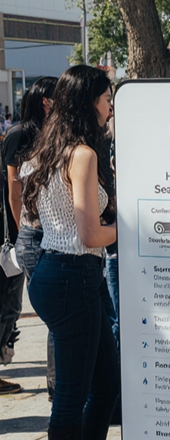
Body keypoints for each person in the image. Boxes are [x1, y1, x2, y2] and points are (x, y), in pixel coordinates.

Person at [23, 65, 118, 440]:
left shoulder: (50, 148)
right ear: (89, 102)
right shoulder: (82, 155)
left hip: (59, 272)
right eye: (107, 99)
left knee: (105, 384)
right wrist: (132, 228)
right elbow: (90, 234)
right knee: (71, 398)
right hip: (73, 275)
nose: (110, 107)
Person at [0, 77, 57, 395]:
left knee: (15, 307)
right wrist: (24, 234)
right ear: (46, 102)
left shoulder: (54, 133)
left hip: (46, 231)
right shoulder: (19, 134)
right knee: (10, 305)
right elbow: (14, 193)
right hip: (23, 235)